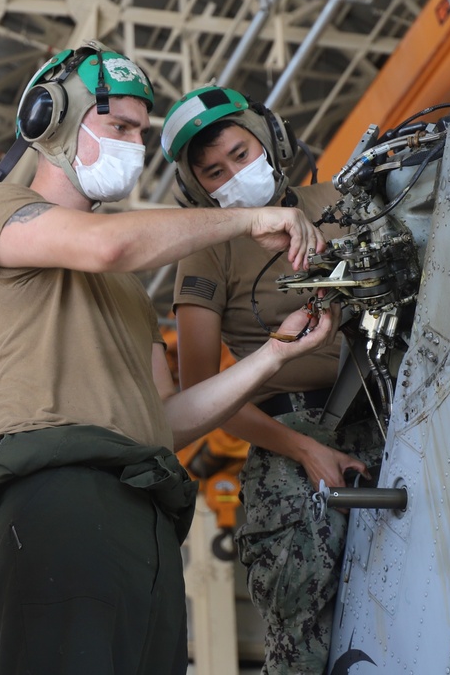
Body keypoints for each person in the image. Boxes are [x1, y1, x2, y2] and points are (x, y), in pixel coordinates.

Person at [0, 42, 338, 675]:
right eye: (119, 126)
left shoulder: (128, 291)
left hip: (145, 507)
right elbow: (108, 246)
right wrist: (244, 222)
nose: (133, 143)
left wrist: (273, 355)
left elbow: (173, 419)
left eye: (140, 130)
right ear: (53, 120)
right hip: (55, 491)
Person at [161, 85, 385, 674]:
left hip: (392, 416)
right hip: (292, 437)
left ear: (270, 142)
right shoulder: (206, 252)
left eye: (240, 154)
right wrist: (306, 451)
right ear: (197, 189)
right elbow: (202, 399)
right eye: (213, 172)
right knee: (303, 624)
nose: (233, 173)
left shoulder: (344, 202)